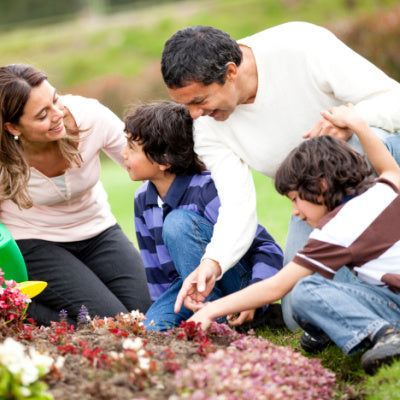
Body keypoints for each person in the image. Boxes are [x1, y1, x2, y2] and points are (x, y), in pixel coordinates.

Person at [161, 22, 400, 328]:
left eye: (199, 101)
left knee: (355, 143)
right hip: (315, 204)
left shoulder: (300, 45)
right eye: (186, 105)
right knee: (297, 317)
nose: (195, 115)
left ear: (231, 72)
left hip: (377, 171)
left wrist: (353, 120)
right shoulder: (208, 128)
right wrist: (213, 262)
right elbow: (237, 206)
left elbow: (393, 99)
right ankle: (375, 305)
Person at [187, 104, 400, 374]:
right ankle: (332, 328)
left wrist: (210, 310)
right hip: (390, 292)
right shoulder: (387, 187)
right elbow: (386, 164)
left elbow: (277, 287)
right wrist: (357, 124)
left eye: (295, 200)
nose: (296, 212)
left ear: (321, 186)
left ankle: (387, 335)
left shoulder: (338, 228)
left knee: (306, 291)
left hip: (395, 305)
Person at [0, 63, 151, 326]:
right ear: (13, 127)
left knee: (145, 314)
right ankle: (21, 307)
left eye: (55, 99)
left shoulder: (89, 116)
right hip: (35, 241)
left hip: (99, 231)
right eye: (42, 114)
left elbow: (146, 163)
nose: (58, 114)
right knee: (112, 323)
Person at [120, 101, 283, 331]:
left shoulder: (207, 190)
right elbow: (156, 272)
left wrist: (255, 296)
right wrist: (161, 311)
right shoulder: (142, 200)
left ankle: (219, 324)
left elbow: (268, 248)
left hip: (237, 288)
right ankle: (205, 321)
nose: (122, 154)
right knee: (149, 331)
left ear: (164, 160)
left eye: (131, 147)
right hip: (186, 292)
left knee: (177, 223)